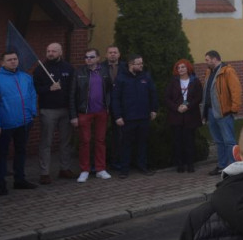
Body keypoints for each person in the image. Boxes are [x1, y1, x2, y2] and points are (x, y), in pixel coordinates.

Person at [0, 51, 39, 195]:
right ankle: (1, 185)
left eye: (15, 59)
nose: (13, 61)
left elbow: (32, 95)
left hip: (24, 122)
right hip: (5, 125)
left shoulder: (25, 77)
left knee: (21, 151)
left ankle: (19, 180)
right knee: (1, 155)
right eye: (9, 59)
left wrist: (32, 113)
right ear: (2, 63)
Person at [33, 42, 77, 183]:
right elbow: (36, 89)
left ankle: (64, 168)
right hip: (48, 111)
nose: (50, 53)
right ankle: (44, 172)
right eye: (48, 51)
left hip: (65, 110)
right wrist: (49, 88)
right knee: (46, 142)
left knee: (65, 141)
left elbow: (73, 90)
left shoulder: (69, 68)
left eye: (53, 51)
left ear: (60, 52)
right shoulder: (40, 69)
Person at [70, 47, 113, 183]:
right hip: (84, 112)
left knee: (100, 141)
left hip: (101, 112)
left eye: (91, 57)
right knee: (85, 141)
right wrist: (73, 115)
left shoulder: (105, 72)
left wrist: (108, 107)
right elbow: (72, 95)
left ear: (98, 58)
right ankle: (84, 170)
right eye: (86, 57)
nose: (88, 59)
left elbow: (110, 91)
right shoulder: (79, 72)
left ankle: (100, 169)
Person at [114, 55, 157, 177]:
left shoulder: (145, 77)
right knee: (126, 144)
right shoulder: (121, 78)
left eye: (142, 63)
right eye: (139, 64)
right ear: (131, 65)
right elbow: (116, 98)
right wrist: (118, 116)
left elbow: (152, 93)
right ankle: (124, 169)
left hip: (143, 116)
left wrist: (153, 109)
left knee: (142, 143)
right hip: (128, 118)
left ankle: (142, 166)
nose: (141, 66)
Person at [202, 50, 243, 176]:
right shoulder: (209, 72)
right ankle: (221, 165)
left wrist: (234, 108)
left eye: (207, 60)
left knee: (229, 140)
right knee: (218, 141)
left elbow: (236, 90)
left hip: (224, 111)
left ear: (215, 59)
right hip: (211, 111)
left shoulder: (227, 71)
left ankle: (233, 166)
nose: (206, 62)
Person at [165, 59, 203, 174]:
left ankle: (190, 164)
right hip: (176, 116)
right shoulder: (173, 82)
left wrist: (188, 106)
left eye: (183, 67)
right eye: (178, 68)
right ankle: (180, 165)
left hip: (190, 115)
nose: (180, 69)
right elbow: (167, 98)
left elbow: (198, 97)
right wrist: (177, 107)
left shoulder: (195, 81)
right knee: (178, 142)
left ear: (188, 68)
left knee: (189, 141)